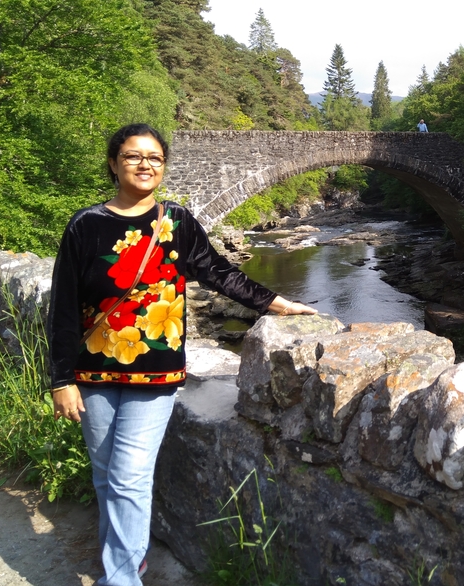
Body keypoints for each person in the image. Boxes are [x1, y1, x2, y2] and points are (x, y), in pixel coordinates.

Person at [48, 123, 316, 586]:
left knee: (128, 476)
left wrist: (275, 302)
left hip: (155, 373)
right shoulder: (85, 225)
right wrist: (60, 379)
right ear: (114, 163)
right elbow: (64, 307)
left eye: (154, 157)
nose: (145, 164)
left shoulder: (175, 222)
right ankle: (129, 558)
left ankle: (121, 578)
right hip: (92, 373)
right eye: (133, 156)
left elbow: (217, 272)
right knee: (106, 472)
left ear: (164, 166)